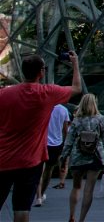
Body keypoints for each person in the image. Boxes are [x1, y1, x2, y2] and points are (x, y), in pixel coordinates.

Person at [0, 50, 82, 222]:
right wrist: (75, 64)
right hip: (30, 161)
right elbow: (77, 88)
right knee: (22, 209)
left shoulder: (4, 94)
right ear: (41, 72)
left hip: (3, 159)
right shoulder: (46, 93)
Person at [61, 93, 104, 222]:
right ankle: (82, 219)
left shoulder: (77, 120)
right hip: (96, 157)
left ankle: (71, 215)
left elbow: (69, 140)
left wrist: (64, 157)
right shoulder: (102, 119)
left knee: (76, 186)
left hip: (78, 156)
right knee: (89, 190)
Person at [35, 103, 71, 206]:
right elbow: (65, 130)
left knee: (39, 170)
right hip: (56, 144)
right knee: (49, 170)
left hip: (42, 142)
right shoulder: (63, 110)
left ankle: (38, 197)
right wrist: (65, 144)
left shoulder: (42, 106)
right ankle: (42, 194)